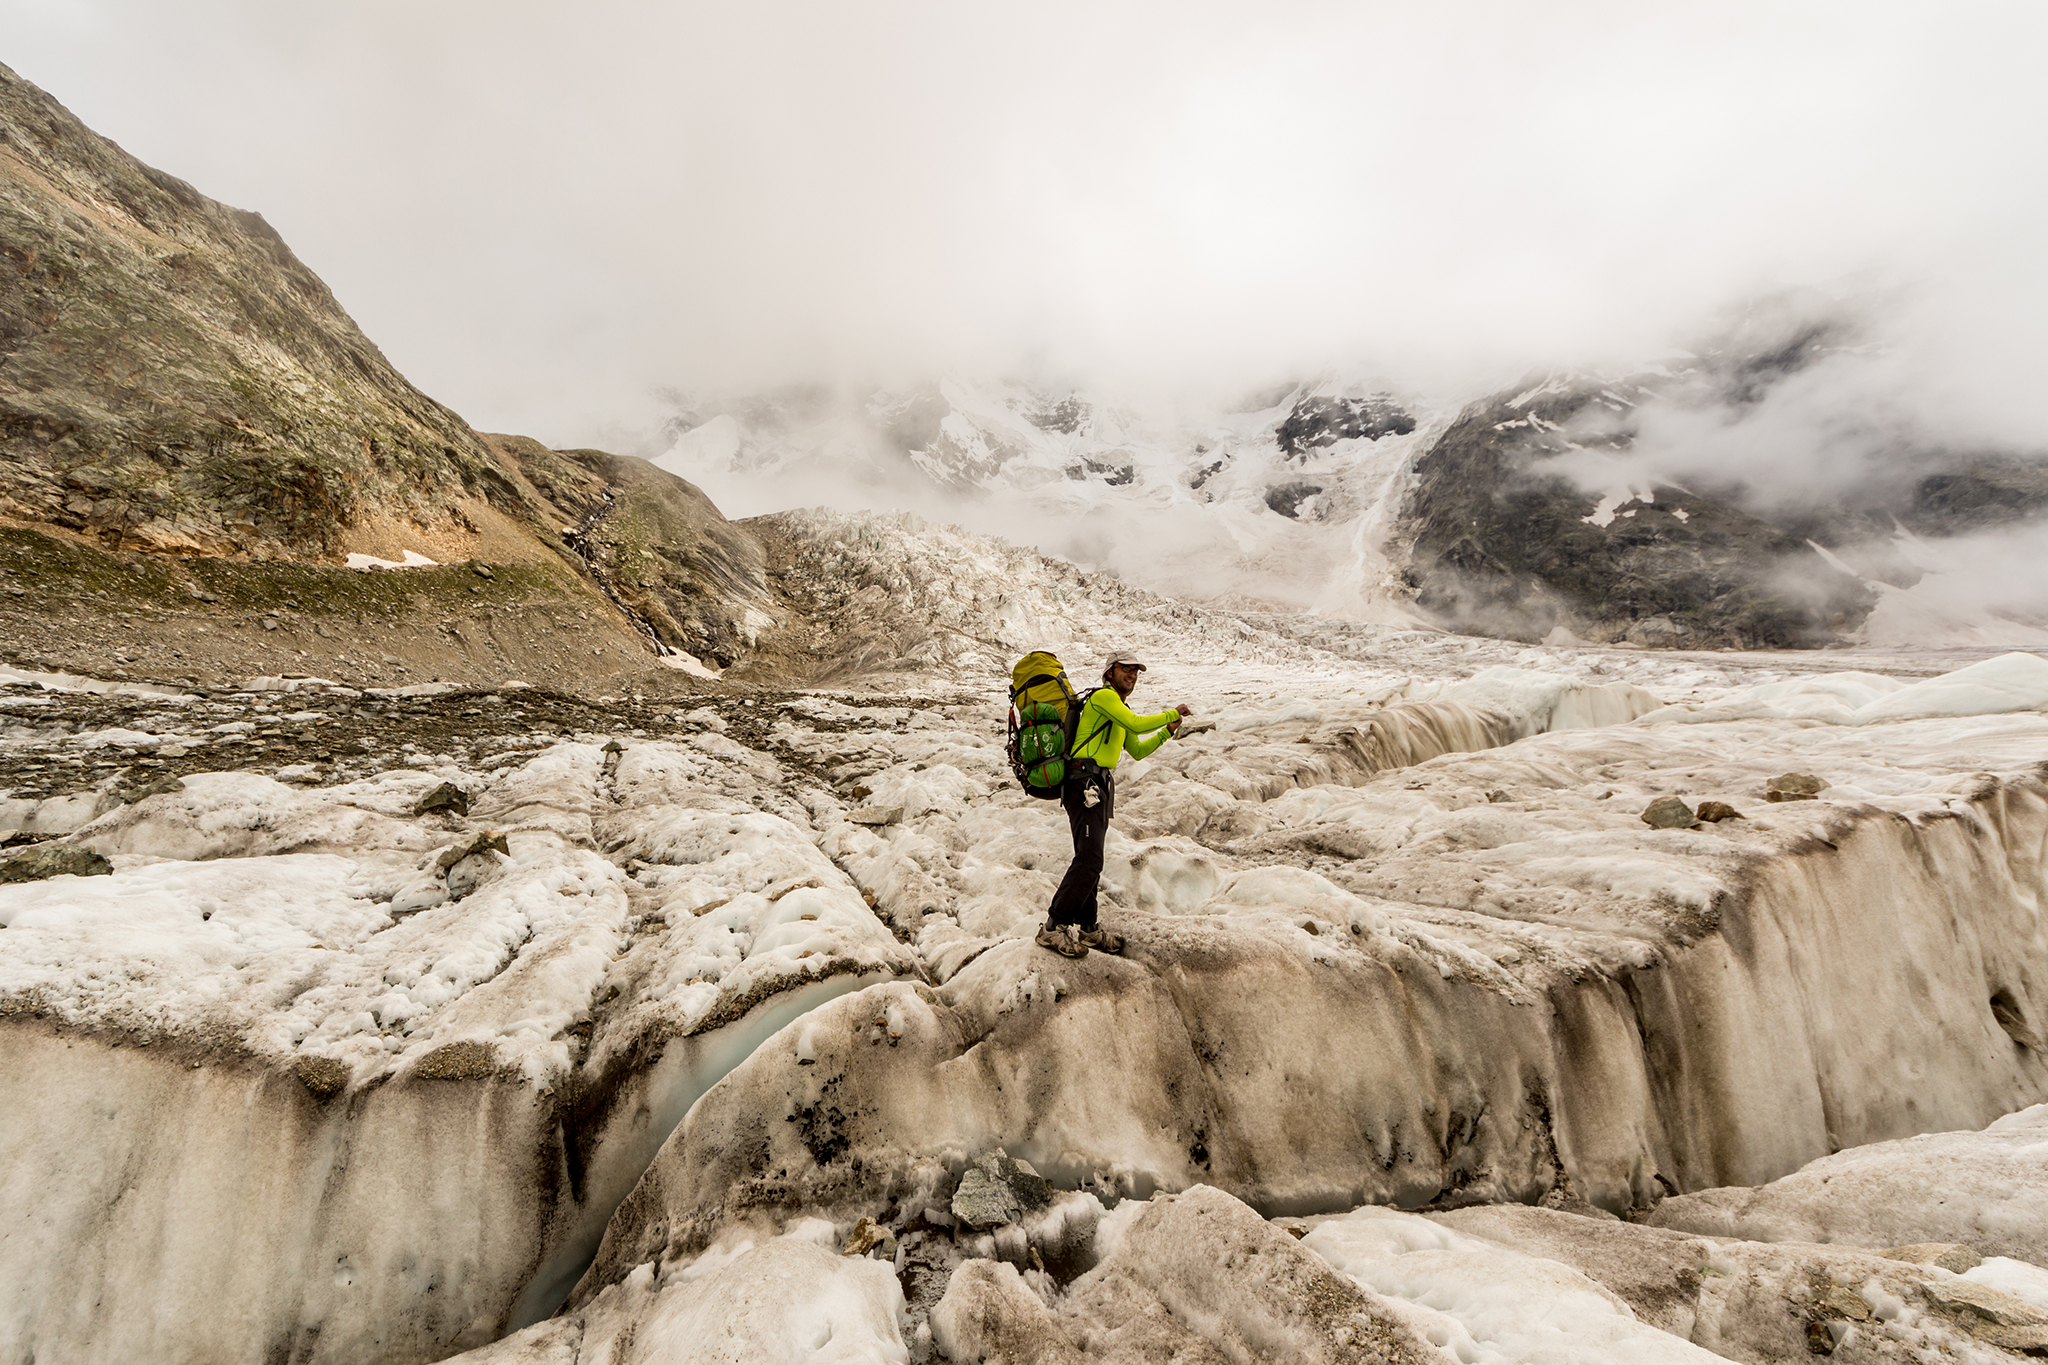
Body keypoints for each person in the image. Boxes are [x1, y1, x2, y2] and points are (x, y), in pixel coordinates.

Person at [1036, 651, 1191, 958]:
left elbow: (1137, 749)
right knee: (1089, 860)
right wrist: (1170, 714)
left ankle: (1089, 930)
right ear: (1109, 673)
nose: (1132, 675)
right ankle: (1053, 928)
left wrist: (1166, 733)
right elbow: (1136, 723)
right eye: (1125, 669)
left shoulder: (1118, 707)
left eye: (1136, 671)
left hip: (1098, 785)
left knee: (1090, 858)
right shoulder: (1104, 698)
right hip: (1083, 783)